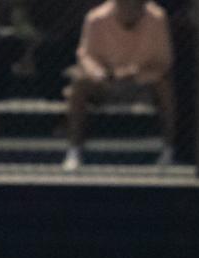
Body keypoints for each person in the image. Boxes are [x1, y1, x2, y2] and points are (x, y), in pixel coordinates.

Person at [62, 0, 175, 170]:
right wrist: (100, 74)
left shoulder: (157, 18)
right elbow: (86, 56)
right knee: (79, 85)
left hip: (141, 82)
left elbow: (163, 60)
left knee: (165, 88)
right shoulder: (96, 18)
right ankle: (74, 150)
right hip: (105, 82)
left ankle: (168, 150)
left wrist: (135, 72)